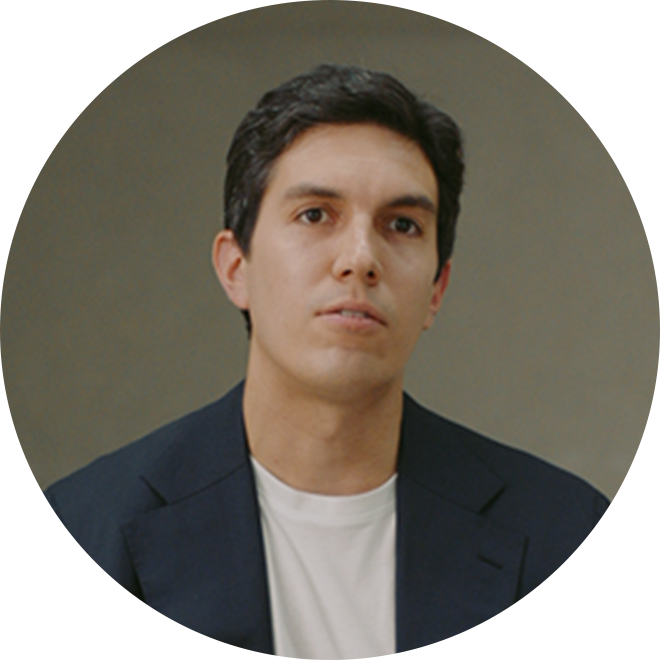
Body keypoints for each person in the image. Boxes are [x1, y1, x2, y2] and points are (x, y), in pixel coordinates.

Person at [1, 64, 638, 660]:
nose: (360, 258)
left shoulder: (565, 541)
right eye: (315, 215)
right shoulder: (85, 539)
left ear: (436, 290)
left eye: (402, 225)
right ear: (235, 267)